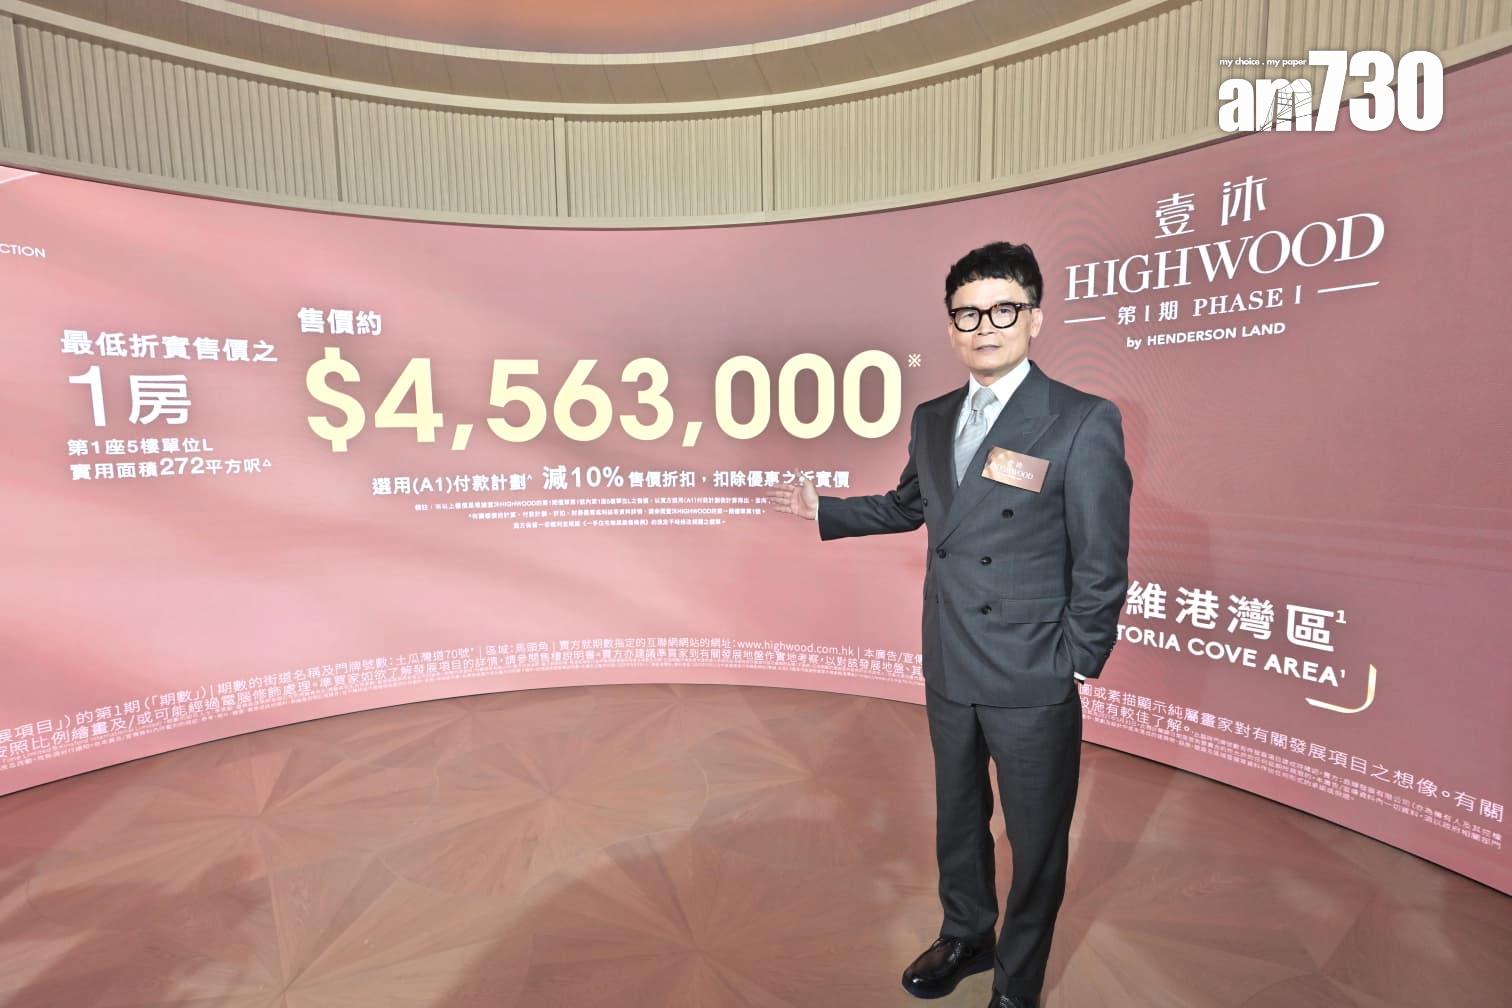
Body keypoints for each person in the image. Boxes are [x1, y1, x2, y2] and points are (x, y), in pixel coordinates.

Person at [769, 241, 1131, 1008]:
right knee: (959, 816)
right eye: (967, 314)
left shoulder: (1080, 420)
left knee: (1034, 840)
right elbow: (911, 505)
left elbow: (1102, 560)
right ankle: (967, 934)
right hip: (949, 656)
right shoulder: (934, 418)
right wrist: (825, 509)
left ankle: (1018, 985)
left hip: (1031, 670)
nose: (984, 326)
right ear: (950, 327)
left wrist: (1075, 659)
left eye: (1002, 310)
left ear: (1034, 319)